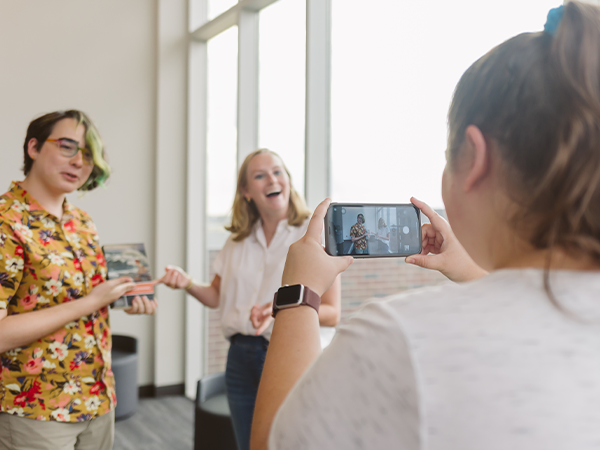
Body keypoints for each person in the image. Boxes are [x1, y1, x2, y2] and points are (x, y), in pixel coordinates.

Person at [251, 3, 600, 449]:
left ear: (475, 158)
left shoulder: (400, 337)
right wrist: (474, 272)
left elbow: (272, 443)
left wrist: (298, 294)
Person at [156, 149, 341, 450]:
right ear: (246, 192)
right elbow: (216, 296)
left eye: (277, 171)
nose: (272, 179)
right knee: (248, 445)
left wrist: (282, 310)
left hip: (285, 352)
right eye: (260, 175)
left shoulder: (312, 235)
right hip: (239, 357)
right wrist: (187, 283)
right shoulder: (236, 240)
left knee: (291, 442)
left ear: (288, 180)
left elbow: (332, 312)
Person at [0, 110, 157, 450]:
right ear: (33, 147)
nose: (79, 162)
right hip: (36, 408)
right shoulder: (6, 222)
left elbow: (82, 300)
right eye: (68, 147)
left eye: (88, 154)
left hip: (98, 398)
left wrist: (127, 297)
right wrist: (90, 302)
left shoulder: (81, 221)